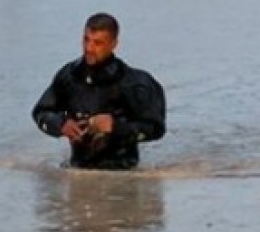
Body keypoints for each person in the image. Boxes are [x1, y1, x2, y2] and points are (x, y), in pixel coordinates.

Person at [32, 13, 166, 170]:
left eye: (98, 43)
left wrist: (115, 127)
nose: (89, 48)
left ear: (114, 44)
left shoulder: (135, 83)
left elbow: (155, 128)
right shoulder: (69, 76)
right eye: (86, 40)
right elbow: (41, 112)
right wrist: (61, 124)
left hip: (123, 174)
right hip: (77, 171)